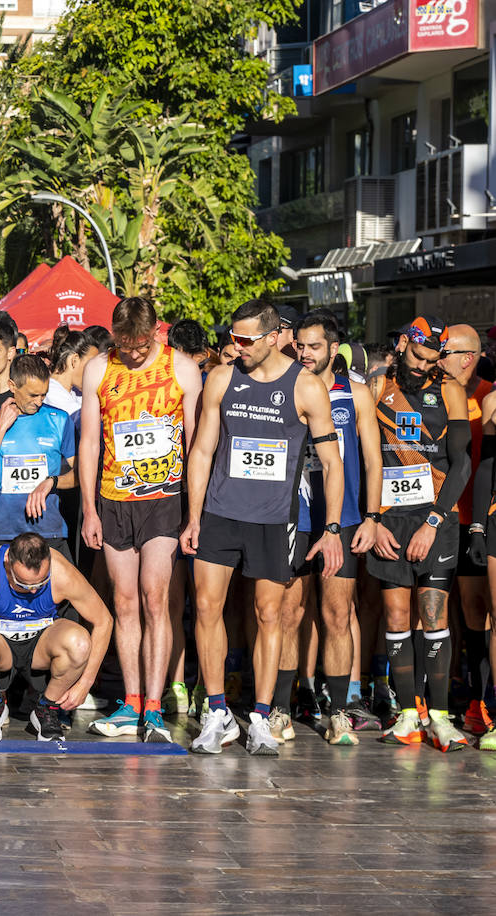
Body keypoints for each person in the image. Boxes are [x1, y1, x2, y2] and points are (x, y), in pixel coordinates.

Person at [182, 299, 344, 756]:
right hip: (220, 513)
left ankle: (259, 715)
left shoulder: (307, 387)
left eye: (248, 339)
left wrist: (332, 528)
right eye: (234, 337)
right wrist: (194, 516)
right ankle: (217, 713)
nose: (238, 346)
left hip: (274, 519)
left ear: (276, 338)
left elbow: (332, 463)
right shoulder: (222, 378)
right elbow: (201, 453)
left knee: (268, 615)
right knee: (207, 607)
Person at [80, 297, 202, 742]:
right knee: (125, 601)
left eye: (139, 345)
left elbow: (196, 446)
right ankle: (130, 703)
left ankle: (154, 705)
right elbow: (90, 441)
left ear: (156, 333)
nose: (131, 353)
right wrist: (90, 510)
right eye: (124, 344)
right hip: (114, 498)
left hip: (163, 498)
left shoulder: (181, 368)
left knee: (156, 597)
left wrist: (194, 514)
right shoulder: (98, 368)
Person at [274, 311, 382, 746]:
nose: (304, 353)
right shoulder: (286, 390)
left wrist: (372, 518)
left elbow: (373, 461)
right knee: (288, 614)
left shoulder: (355, 394)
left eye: (313, 346)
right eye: (299, 345)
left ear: (333, 349)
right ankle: (281, 707)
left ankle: (338, 712)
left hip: (345, 519)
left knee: (337, 615)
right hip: (294, 518)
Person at [367, 317, 471, 751]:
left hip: (435, 517)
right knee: (394, 616)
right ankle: (408, 713)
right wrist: (370, 520)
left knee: (433, 618)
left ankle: (441, 716)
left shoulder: (448, 389)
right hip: (391, 517)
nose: (421, 366)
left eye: (431, 360)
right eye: (416, 356)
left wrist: (433, 521)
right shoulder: (376, 387)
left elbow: (461, 463)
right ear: (404, 344)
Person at [0, 534, 113, 739]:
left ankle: (47, 708)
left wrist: (85, 683)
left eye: (41, 584)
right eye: (23, 584)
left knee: (79, 643)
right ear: (7, 564)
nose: (33, 591)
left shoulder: (62, 572)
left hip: (42, 643)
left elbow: (104, 620)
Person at [437, 323, 494, 736]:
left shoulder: (486, 396)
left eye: (446, 352)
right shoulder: (436, 391)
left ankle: (479, 696)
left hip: (478, 518)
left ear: (468, 357)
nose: (438, 360)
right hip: (441, 517)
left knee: (479, 610)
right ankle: (451, 686)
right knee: (447, 610)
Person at [0, 354, 76, 555]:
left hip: (48, 530)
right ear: (12, 386)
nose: (39, 402)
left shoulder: (60, 419)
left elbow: (82, 475)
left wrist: (52, 482)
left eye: (43, 395)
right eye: (32, 395)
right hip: (2, 532)